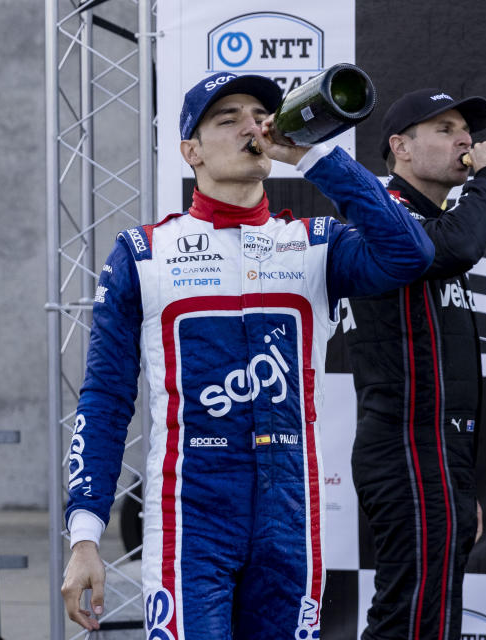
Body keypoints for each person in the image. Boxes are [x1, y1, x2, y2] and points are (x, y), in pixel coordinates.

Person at [60, 71, 435, 639]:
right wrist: (85, 535)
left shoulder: (314, 244)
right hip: (191, 518)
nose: (250, 127)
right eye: (226, 118)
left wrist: (313, 158)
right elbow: (106, 400)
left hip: (291, 517)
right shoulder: (143, 254)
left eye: (258, 115)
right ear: (191, 151)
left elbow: (411, 253)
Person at [342, 88, 486, 640]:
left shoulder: (430, 223)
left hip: (437, 455)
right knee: (410, 616)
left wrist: (460, 483)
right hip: (404, 448)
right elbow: (459, 247)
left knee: (432, 616)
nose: (465, 139)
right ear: (401, 148)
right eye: (444, 129)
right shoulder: (384, 214)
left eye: (465, 129)